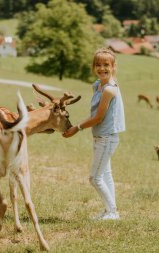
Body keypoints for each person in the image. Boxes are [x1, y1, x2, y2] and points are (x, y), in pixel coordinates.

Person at [63, 48, 125, 220]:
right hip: (100, 137)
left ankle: (112, 212)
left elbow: (98, 117)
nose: (102, 68)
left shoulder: (109, 90)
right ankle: (110, 211)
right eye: (98, 64)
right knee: (105, 174)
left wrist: (77, 128)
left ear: (113, 67)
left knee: (95, 178)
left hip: (107, 137)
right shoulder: (98, 85)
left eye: (106, 65)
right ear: (93, 67)